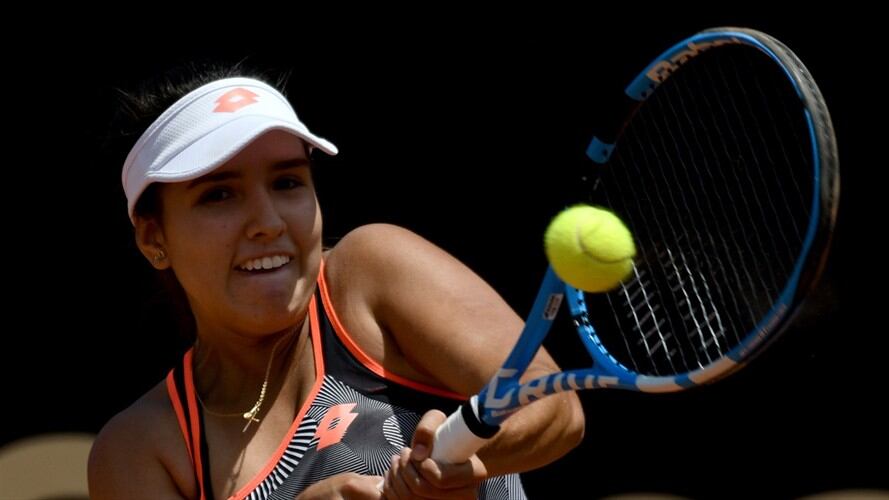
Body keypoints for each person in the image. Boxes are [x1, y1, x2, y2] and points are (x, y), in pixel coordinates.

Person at [88, 63, 584, 500]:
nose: (269, 221)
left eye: (287, 183)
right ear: (155, 238)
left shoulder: (371, 269)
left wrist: (446, 468)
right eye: (219, 195)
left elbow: (553, 406)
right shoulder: (138, 449)